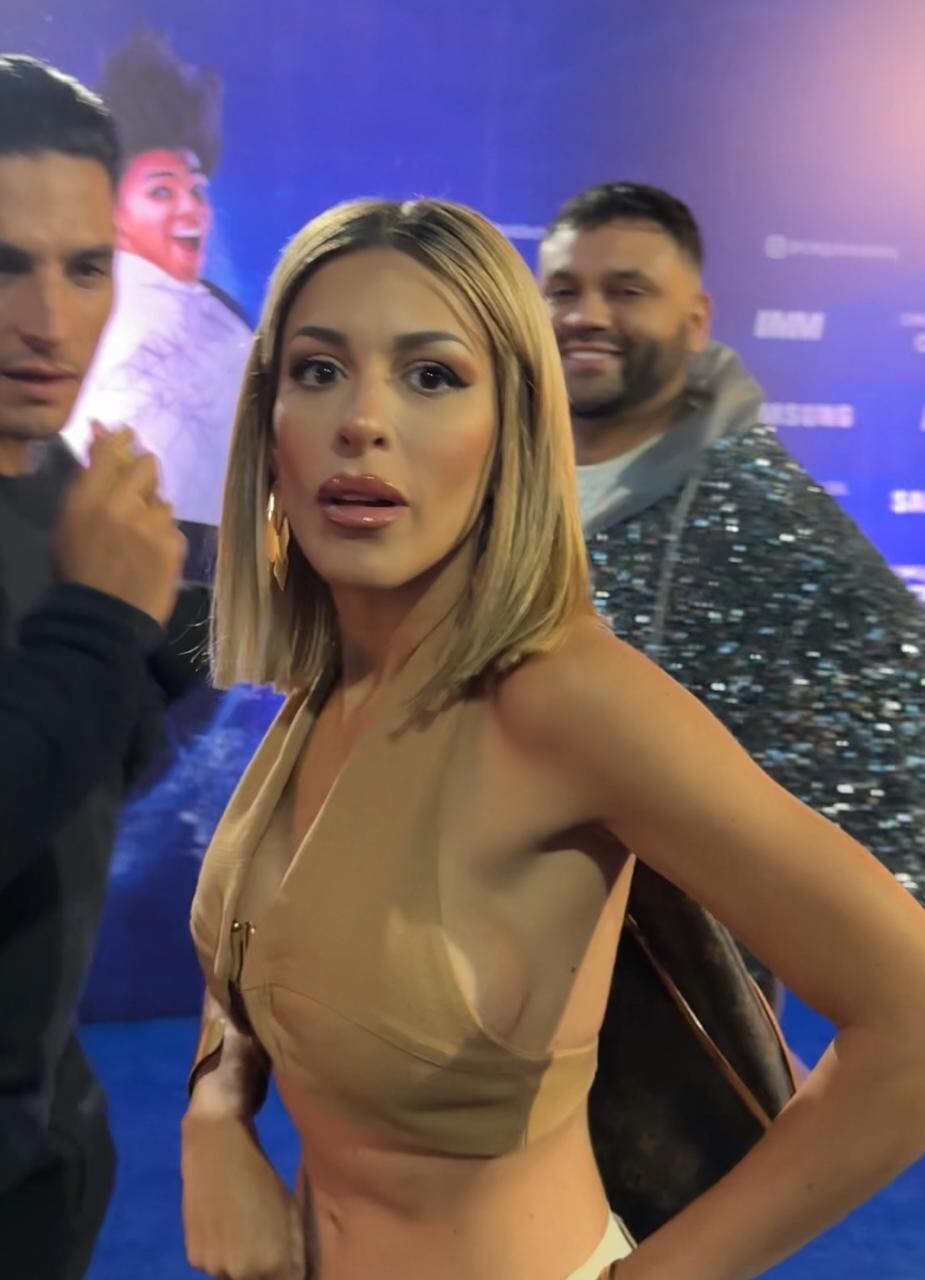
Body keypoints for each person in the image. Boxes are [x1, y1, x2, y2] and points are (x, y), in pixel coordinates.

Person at [181, 197, 925, 1280]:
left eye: (430, 375)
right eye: (319, 369)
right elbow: (261, 939)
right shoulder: (329, 681)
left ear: (514, 427)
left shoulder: (563, 700)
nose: (362, 419)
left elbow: (908, 1021)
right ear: (268, 420)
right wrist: (216, 1108)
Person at [0, 55, 186, 1278]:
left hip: (35, 1160)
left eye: (86, 267)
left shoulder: (50, 471)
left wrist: (157, 639)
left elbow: (63, 784)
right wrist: (97, 630)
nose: (53, 323)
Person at [538, 182, 925, 1005]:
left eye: (626, 291)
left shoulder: (769, 514)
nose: (586, 316)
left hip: (663, 1024)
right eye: (564, 290)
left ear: (694, 319)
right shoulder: (482, 480)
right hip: (450, 981)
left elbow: (899, 765)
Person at [64, 28, 252, 528]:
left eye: (198, 190)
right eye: (162, 192)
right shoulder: (70, 315)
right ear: (109, 208)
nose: (192, 209)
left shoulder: (229, 319)